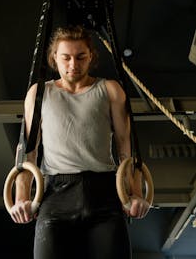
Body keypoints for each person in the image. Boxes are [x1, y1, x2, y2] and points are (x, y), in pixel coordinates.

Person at [10, 25, 150, 259]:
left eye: (80, 57)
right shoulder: (39, 93)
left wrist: (135, 193)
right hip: (56, 195)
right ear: (54, 57)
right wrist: (21, 198)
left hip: (104, 193)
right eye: (65, 58)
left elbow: (126, 147)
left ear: (91, 57)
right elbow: (28, 151)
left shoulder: (110, 90)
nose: (73, 65)